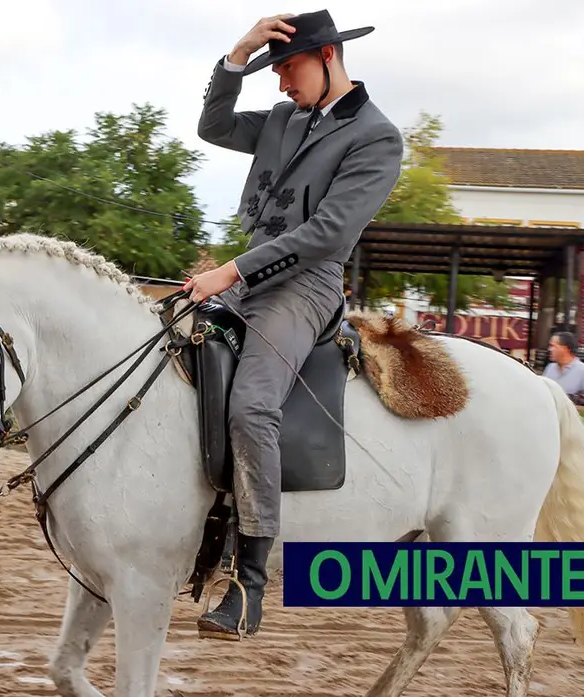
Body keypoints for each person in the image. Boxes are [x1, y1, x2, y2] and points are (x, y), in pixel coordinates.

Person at [182, 9, 404, 641]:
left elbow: (328, 232)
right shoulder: (282, 118)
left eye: (285, 67)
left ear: (328, 56)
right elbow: (213, 125)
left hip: (304, 287)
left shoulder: (376, 137)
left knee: (252, 406)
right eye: (273, 69)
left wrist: (230, 272)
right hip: (248, 277)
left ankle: (249, 586)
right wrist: (237, 54)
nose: (279, 82)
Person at [543, 331, 584, 406]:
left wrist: (572, 399)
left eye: (553, 346)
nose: (549, 349)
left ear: (565, 348)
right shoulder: (550, 368)